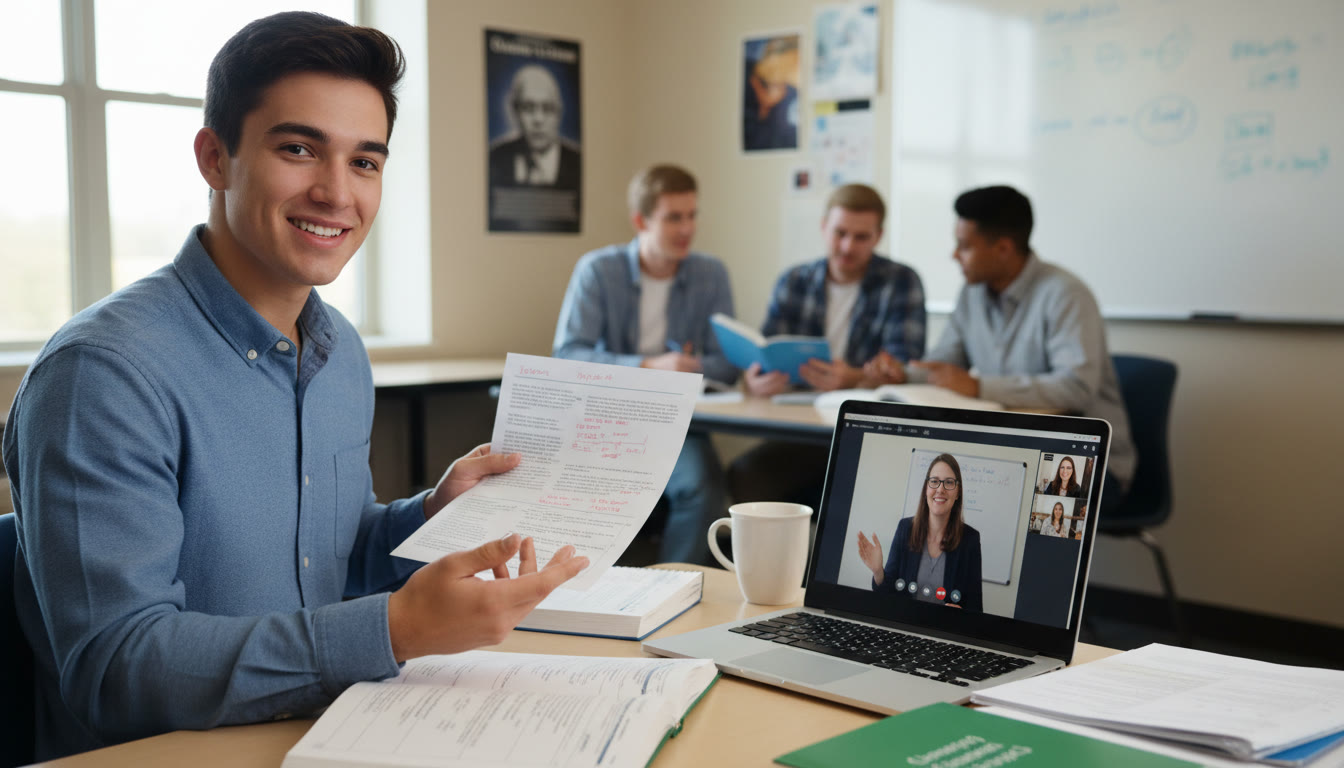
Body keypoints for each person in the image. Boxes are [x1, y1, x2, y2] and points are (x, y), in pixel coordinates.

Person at [2, 14, 588, 760]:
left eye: (365, 162)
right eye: (299, 148)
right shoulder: (102, 375)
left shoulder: (340, 353)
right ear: (215, 157)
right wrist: (395, 630)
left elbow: (322, 563)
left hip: (333, 732)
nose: (336, 193)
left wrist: (429, 514)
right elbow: (117, 669)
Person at [864, 185, 1136, 508]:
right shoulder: (972, 294)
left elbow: (1075, 388)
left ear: (1004, 248)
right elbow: (943, 368)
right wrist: (902, 376)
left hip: (1082, 464)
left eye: (964, 246)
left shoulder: (1066, 295)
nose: (954, 255)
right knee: (912, 487)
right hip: (1011, 457)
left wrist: (979, 386)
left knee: (968, 503)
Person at [553, 164, 734, 565]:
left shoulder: (711, 274)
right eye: (674, 217)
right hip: (608, 421)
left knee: (701, 487)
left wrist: (692, 366)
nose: (687, 228)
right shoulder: (599, 270)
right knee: (578, 488)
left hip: (677, 423)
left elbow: (726, 364)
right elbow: (568, 355)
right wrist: (651, 367)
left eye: (692, 215)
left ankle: (670, 585)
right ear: (641, 220)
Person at [727, 183, 925, 508]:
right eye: (840, 233)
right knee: (746, 475)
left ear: (878, 236)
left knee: (857, 492)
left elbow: (902, 369)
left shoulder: (902, 282)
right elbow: (765, 354)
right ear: (823, 228)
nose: (847, 246)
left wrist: (856, 379)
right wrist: (753, 380)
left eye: (861, 237)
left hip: (869, 436)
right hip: (800, 428)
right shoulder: (794, 281)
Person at [855, 454, 983, 612]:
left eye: (949, 482)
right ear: (926, 489)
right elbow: (888, 596)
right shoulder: (905, 528)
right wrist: (878, 571)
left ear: (958, 493)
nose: (940, 489)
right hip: (906, 625)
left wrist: (961, 614)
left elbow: (976, 609)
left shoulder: (970, 539)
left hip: (944, 631)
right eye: (934, 481)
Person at [488, 64, 580, 187]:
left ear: (559, 113)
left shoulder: (577, 161)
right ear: (515, 112)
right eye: (528, 108)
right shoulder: (494, 158)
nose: (538, 120)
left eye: (547, 108)